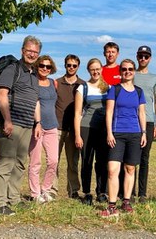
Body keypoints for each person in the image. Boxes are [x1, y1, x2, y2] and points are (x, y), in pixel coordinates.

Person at [0, 35, 42, 215]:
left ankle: (13, 198)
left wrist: (37, 123)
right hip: (12, 123)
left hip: (28, 124)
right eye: (29, 51)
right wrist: (7, 120)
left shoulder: (34, 75)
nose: (32, 54)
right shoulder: (13, 69)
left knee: (20, 163)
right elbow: (2, 94)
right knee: (6, 162)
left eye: (35, 52)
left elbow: (35, 100)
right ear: (22, 50)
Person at [102, 59, 147, 217]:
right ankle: (112, 205)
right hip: (117, 134)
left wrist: (144, 133)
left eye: (130, 69)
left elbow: (141, 113)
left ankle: (126, 201)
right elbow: (109, 112)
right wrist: (109, 133)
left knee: (130, 169)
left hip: (134, 134)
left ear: (134, 71)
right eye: (124, 69)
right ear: (120, 72)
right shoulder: (114, 90)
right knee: (113, 170)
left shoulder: (139, 92)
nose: (127, 71)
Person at [73, 58, 110, 205]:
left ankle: (101, 192)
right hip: (86, 127)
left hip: (103, 129)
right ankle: (87, 192)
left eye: (97, 69)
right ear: (88, 71)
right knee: (86, 161)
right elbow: (77, 114)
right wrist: (77, 135)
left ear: (101, 69)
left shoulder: (109, 88)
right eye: (92, 69)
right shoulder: (83, 88)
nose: (95, 72)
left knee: (102, 162)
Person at [53, 54, 85, 199]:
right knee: (54, 161)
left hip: (74, 130)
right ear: (65, 65)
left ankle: (73, 190)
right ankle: (51, 190)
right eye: (69, 65)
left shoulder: (83, 84)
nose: (71, 68)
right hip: (57, 127)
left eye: (74, 65)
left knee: (73, 162)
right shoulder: (56, 83)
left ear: (78, 67)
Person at [28, 55, 59, 204]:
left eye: (48, 66)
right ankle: (35, 193)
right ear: (36, 66)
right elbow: (34, 104)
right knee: (35, 163)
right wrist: (37, 123)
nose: (45, 69)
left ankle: (45, 189)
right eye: (42, 66)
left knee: (53, 160)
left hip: (52, 126)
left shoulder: (53, 83)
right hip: (37, 127)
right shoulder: (32, 81)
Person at [133, 45, 156, 203]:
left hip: (149, 121)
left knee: (144, 158)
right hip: (131, 121)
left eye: (146, 56)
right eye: (141, 56)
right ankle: (128, 192)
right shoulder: (131, 74)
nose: (143, 59)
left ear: (150, 58)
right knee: (130, 158)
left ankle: (142, 193)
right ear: (137, 57)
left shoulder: (154, 78)